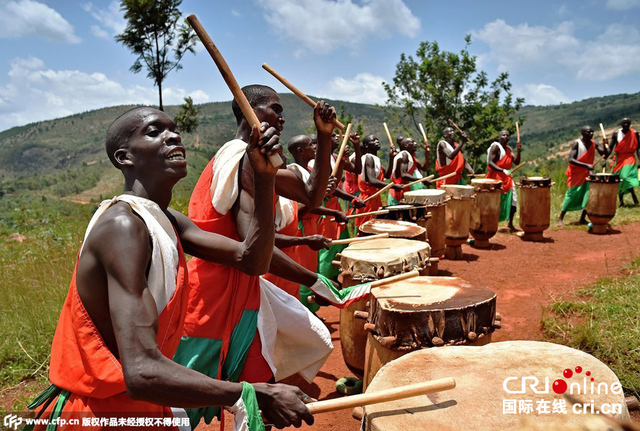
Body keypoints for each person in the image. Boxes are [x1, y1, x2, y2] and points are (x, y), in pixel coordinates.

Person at [28, 107, 314, 430]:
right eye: (154, 132)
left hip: (139, 407)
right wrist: (250, 394)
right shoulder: (122, 226)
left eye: (174, 130)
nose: (173, 136)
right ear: (125, 157)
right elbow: (140, 371)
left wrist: (264, 179)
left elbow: (252, 260)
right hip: (102, 414)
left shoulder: (168, 221)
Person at [175, 85, 337, 428]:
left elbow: (312, 194)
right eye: (274, 109)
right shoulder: (239, 158)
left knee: (256, 380)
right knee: (183, 404)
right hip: (213, 294)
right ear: (250, 111)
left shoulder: (257, 162)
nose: (281, 118)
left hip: (245, 291)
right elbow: (254, 249)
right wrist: (311, 278)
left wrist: (324, 138)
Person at [558, 126, 608, 226]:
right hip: (576, 173)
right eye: (589, 132)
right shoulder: (577, 143)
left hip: (587, 173)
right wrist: (586, 165)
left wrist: (605, 145)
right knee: (571, 195)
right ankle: (561, 218)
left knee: (588, 196)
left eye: (592, 132)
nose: (592, 134)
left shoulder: (595, 143)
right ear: (583, 133)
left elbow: (605, 154)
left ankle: (582, 218)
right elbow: (571, 159)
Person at [352, 134, 403, 227]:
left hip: (375, 198)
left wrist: (391, 158)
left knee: (375, 227)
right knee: (368, 228)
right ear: (366, 146)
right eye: (373, 140)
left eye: (377, 139)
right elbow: (372, 180)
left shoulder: (375, 159)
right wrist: (393, 186)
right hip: (368, 200)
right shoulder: (368, 158)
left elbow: (387, 175)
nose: (377, 141)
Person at [486, 129, 522, 231]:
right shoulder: (495, 147)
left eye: (507, 135)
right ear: (499, 137)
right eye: (503, 135)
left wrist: (519, 150)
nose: (506, 137)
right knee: (496, 201)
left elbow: (516, 161)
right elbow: (490, 162)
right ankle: (491, 223)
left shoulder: (509, 149)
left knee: (513, 200)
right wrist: (503, 170)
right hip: (496, 178)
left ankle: (510, 223)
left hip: (507, 179)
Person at [606, 118, 640, 206]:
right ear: (621, 124)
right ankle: (621, 201)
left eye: (627, 123)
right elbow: (610, 148)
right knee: (619, 179)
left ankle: (633, 195)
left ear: (630, 124)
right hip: (619, 158)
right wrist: (605, 156)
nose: (625, 125)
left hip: (629, 157)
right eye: (624, 123)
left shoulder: (634, 133)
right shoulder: (616, 133)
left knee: (625, 176)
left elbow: (638, 148)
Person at [389, 136, 429, 204]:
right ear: (406, 145)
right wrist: (421, 180)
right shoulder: (404, 154)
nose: (415, 144)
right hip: (398, 193)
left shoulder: (411, 157)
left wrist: (427, 152)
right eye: (413, 142)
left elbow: (424, 168)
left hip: (403, 190)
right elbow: (403, 174)